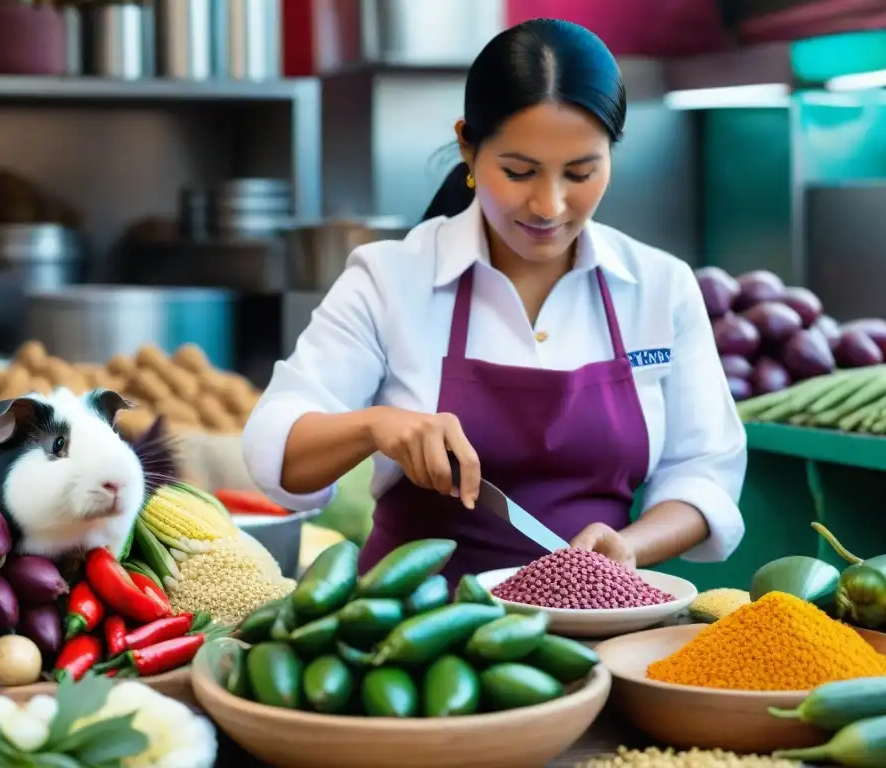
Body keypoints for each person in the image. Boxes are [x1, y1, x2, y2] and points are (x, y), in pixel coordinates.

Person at [242, 18, 747, 585]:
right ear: (467, 144)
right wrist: (376, 426)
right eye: (518, 171)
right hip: (411, 637)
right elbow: (272, 447)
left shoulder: (659, 286)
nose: (549, 205)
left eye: (581, 172)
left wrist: (628, 548)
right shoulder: (392, 279)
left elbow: (704, 474)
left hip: (592, 629)